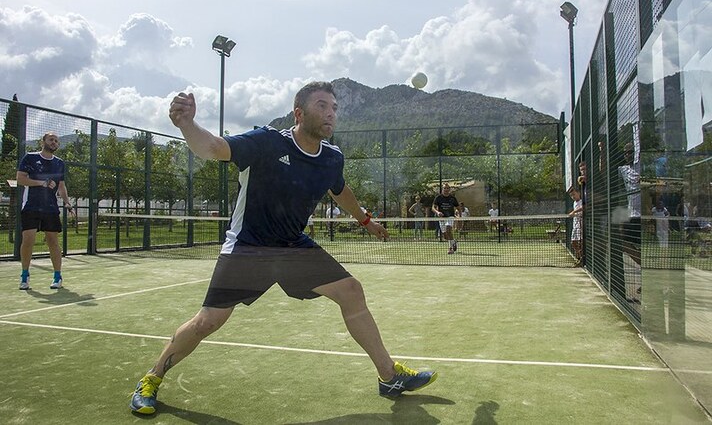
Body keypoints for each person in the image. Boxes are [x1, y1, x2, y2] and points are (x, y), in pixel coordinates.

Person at [129, 81, 436, 415]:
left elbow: (340, 190)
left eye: (334, 107)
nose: (331, 112)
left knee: (351, 291)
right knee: (208, 322)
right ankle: (153, 377)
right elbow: (214, 148)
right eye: (322, 105)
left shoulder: (332, 158)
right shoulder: (267, 142)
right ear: (299, 113)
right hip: (249, 248)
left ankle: (388, 376)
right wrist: (187, 124)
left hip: (292, 248)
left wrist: (366, 220)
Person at [16, 132, 75, 290]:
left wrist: (68, 203)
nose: (54, 142)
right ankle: (25, 275)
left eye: (56, 140)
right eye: (51, 139)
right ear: (43, 141)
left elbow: (61, 186)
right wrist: (41, 183)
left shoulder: (59, 163)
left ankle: (57, 276)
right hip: (31, 206)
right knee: (28, 240)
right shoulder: (30, 158)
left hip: (50, 208)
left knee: (53, 242)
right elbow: (20, 178)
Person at [599, 141, 641, 304]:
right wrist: (602, 152)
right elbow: (604, 173)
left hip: (646, 214)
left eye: (630, 152)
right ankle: (643, 265)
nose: (627, 155)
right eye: (626, 152)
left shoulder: (644, 166)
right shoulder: (624, 170)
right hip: (630, 213)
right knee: (621, 242)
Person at [432, 183, 459, 254]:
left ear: (449, 190)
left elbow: (458, 207)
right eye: (445, 188)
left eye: (447, 188)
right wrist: (437, 212)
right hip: (441, 218)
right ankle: (454, 242)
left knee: (448, 230)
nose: (446, 189)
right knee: (445, 236)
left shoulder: (453, 198)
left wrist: (459, 215)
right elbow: (433, 207)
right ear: (442, 189)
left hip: (450, 217)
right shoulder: (438, 198)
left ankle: (450, 248)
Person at [567, 187, 584, 266]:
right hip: (575, 224)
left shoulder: (582, 201)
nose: (573, 197)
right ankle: (580, 256)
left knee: (581, 243)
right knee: (573, 242)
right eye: (571, 196)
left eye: (574, 194)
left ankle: (581, 259)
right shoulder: (574, 203)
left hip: (581, 225)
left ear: (579, 193)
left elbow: (584, 208)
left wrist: (574, 212)